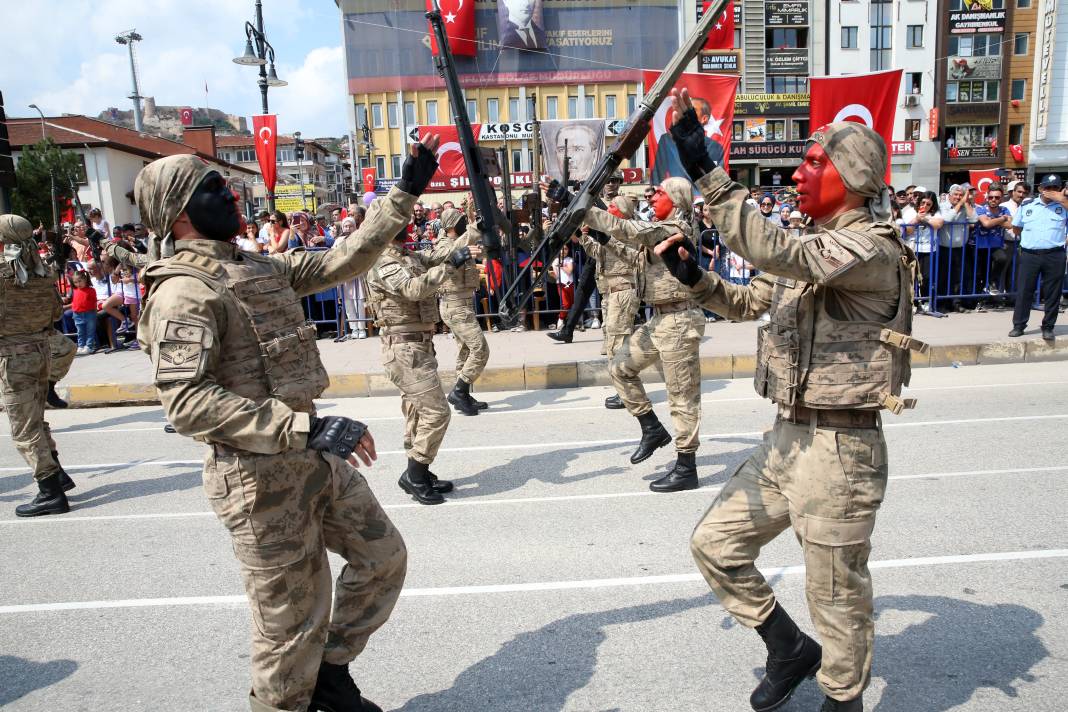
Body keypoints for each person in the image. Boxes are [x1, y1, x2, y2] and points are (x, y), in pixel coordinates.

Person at [134, 136, 442, 712]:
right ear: (179, 214)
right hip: (257, 480)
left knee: (383, 559)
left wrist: (403, 194)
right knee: (287, 631)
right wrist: (303, 429)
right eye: (212, 188)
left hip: (313, 460)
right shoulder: (182, 292)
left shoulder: (255, 265)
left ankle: (328, 671)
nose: (228, 192)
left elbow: (341, 259)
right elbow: (188, 403)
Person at [659, 91, 928, 712]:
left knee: (836, 595)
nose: (798, 173)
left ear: (855, 176)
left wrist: (704, 164)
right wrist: (694, 276)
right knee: (716, 546)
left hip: (841, 449)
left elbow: (785, 254)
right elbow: (749, 301)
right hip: (786, 439)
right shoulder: (808, 242)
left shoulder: (870, 247)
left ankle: (843, 700)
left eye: (814, 162)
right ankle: (788, 649)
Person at [573, 176, 705, 493]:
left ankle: (687, 466)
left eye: (660, 193)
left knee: (682, 397)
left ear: (676, 200)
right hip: (658, 320)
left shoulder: (677, 230)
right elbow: (636, 256)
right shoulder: (661, 232)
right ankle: (651, 427)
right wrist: (605, 242)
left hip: (680, 320)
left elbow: (634, 231)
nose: (652, 196)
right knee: (620, 366)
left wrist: (584, 208)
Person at [365, 217, 481, 505]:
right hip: (403, 348)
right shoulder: (383, 262)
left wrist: (473, 231)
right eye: (398, 219)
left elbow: (441, 254)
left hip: (419, 346)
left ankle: (420, 471)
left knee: (417, 413)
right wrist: (451, 264)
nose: (405, 223)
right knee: (437, 413)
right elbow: (413, 289)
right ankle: (414, 474)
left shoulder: (408, 255)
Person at [0, 214, 76, 517]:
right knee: (37, 420)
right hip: (42, 351)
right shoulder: (41, 273)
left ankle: (50, 493)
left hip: (13, 357)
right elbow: (56, 312)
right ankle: (57, 474)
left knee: (23, 429)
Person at [579, 196, 642, 408]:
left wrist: (601, 232)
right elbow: (598, 253)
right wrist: (584, 237)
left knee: (618, 343)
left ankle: (628, 393)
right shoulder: (612, 233)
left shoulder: (628, 231)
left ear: (623, 211)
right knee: (612, 343)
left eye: (613, 206)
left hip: (623, 292)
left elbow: (621, 249)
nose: (609, 209)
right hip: (610, 294)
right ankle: (623, 389)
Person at [436, 207, 490, 416]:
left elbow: (482, 250)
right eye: (459, 222)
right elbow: (454, 250)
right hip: (454, 305)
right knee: (480, 349)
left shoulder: (462, 241)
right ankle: (459, 390)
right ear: (450, 225)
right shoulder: (445, 245)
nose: (463, 225)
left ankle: (464, 395)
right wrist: (474, 229)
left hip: (463, 304)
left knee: (465, 351)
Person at [1008, 174, 1068, 341]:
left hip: (1054, 254)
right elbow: (1017, 228)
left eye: (1055, 188)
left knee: (1052, 293)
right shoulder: (1028, 205)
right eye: (1047, 188)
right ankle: (1019, 325)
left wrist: (1062, 200)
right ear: (1040, 188)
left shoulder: (1064, 206)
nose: (1051, 192)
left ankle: (1048, 327)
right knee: (1024, 291)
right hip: (1030, 254)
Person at [971, 185, 1011, 296]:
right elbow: (986, 224)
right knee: (980, 273)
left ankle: (992, 281)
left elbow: (1009, 225)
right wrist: (1002, 218)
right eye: (991, 197)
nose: (993, 200)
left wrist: (993, 220)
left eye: (997, 197)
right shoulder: (981, 208)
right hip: (980, 245)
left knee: (1002, 259)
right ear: (987, 197)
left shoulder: (1004, 209)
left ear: (1002, 198)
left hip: (995, 244)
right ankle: (980, 299)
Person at [70, 269, 98, 354]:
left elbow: (94, 302)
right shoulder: (74, 290)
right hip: (77, 314)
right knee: (80, 331)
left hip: (89, 313)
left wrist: (95, 312)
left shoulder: (91, 290)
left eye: (80, 281)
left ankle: (89, 346)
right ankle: (81, 346)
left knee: (90, 330)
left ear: (85, 279)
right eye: (75, 282)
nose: (78, 284)